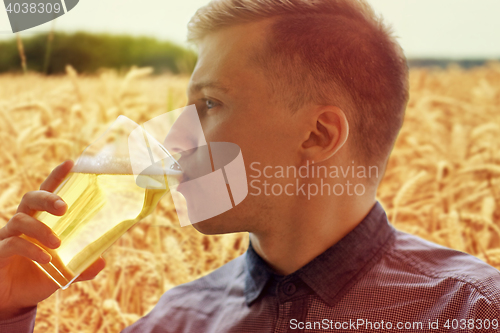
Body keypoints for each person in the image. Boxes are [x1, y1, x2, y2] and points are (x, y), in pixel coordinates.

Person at [1, 0, 500, 332]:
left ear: (319, 135)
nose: (176, 137)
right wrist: (9, 308)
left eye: (210, 104)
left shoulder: (472, 313)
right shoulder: (176, 319)